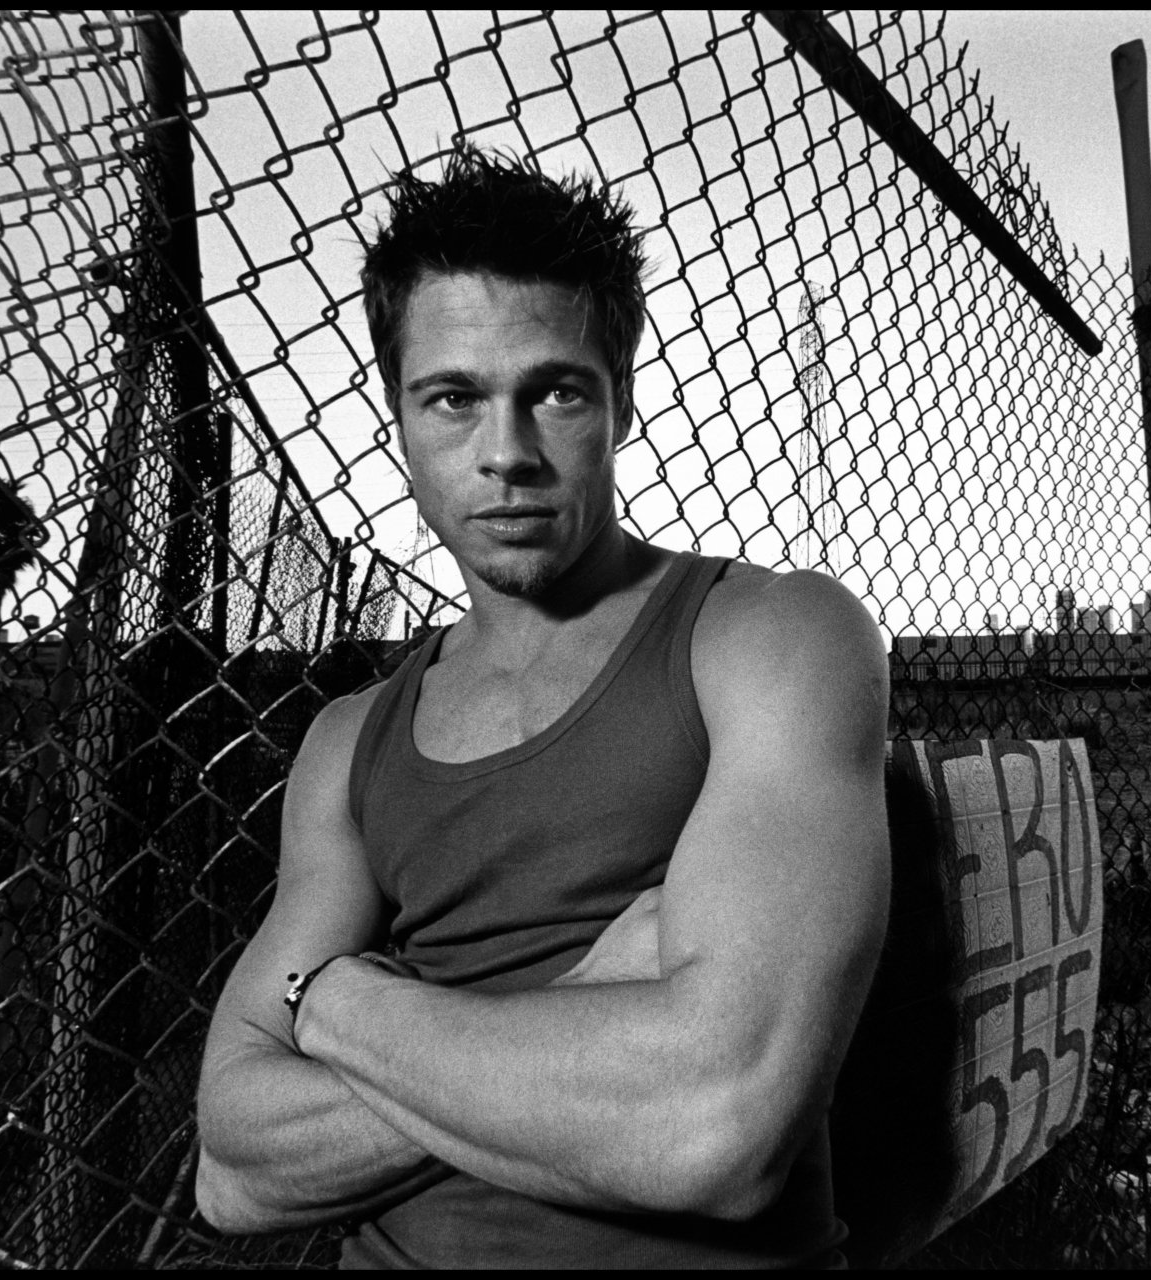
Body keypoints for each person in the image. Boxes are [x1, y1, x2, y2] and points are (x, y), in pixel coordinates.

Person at [192, 147, 890, 1267]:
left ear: (619, 401)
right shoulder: (347, 742)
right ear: (401, 425)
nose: (506, 453)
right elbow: (232, 1163)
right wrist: (598, 999)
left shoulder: (772, 638)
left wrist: (333, 1007)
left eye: (555, 390)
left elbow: (717, 1124)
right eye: (454, 398)